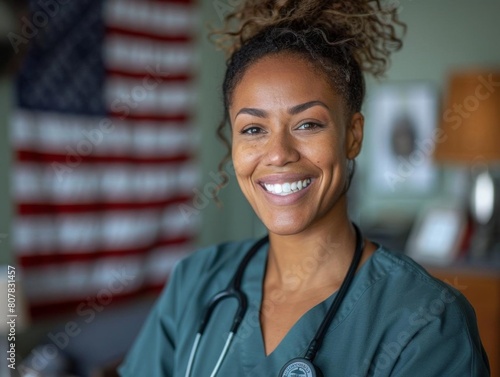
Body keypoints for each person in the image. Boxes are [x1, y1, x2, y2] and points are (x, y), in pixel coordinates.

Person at [119, 1, 490, 376]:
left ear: (354, 136)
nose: (278, 154)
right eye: (253, 129)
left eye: (308, 124)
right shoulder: (195, 282)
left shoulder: (427, 322)